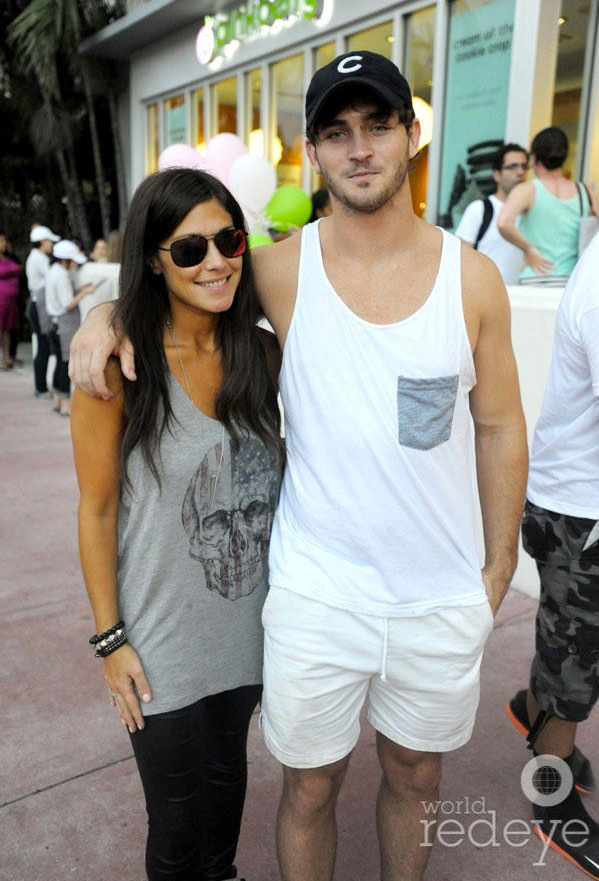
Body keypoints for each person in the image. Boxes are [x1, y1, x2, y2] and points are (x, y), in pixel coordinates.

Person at [69, 51, 528, 881]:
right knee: (310, 786)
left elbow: (498, 426)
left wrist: (497, 568)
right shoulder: (277, 269)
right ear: (312, 152)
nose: (360, 148)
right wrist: (103, 316)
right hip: (316, 594)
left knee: (416, 776)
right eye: (336, 132)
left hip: (437, 595)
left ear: (411, 134)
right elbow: (177, 277)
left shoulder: (473, 281)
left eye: (377, 125)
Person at [71, 168, 283, 881]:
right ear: (154, 260)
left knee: (228, 791)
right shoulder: (118, 369)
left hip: (248, 630)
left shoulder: (262, 355)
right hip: (160, 643)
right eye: (190, 249)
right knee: (176, 823)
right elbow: (97, 510)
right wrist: (110, 641)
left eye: (229, 241)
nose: (215, 262)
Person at [506, 233, 599, 878]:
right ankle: (552, 790)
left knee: (567, 637)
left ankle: (533, 713)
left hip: (572, 503)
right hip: (579, 511)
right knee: (577, 655)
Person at [498, 126, 599, 280]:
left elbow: (503, 223)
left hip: (535, 277)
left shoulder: (528, 190)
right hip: (570, 280)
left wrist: (529, 249)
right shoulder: (585, 192)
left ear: (534, 158)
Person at [455, 143, 528, 284]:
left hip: (524, 294)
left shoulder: (530, 212)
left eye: (524, 166)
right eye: (512, 167)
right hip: (486, 293)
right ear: (497, 175)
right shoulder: (479, 209)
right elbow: (461, 260)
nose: (520, 172)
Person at [44, 240, 94, 416]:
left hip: (54, 323)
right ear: (65, 260)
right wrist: (85, 292)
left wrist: (80, 289)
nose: (74, 264)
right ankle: (66, 405)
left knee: (59, 362)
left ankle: (57, 401)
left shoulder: (53, 271)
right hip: (64, 325)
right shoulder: (62, 276)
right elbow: (68, 304)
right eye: (72, 260)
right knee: (65, 364)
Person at [25, 225, 59, 396]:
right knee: (43, 346)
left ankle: (41, 387)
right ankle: (41, 388)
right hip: (40, 306)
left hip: (37, 304)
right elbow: (53, 277)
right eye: (50, 241)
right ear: (43, 241)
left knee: (43, 345)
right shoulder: (39, 258)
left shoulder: (36, 256)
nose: (51, 244)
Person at [75, 229, 123, 322]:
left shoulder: (87, 269)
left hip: (90, 319)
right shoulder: (120, 271)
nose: (100, 251)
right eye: (98, 248)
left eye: (103, 248)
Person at [0, 233, 21, 369]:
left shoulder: (8, 257)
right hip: (1, 299)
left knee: (7, 329)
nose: (4, 243)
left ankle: (7, 357)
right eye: (1, 241)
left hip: (10, 301)